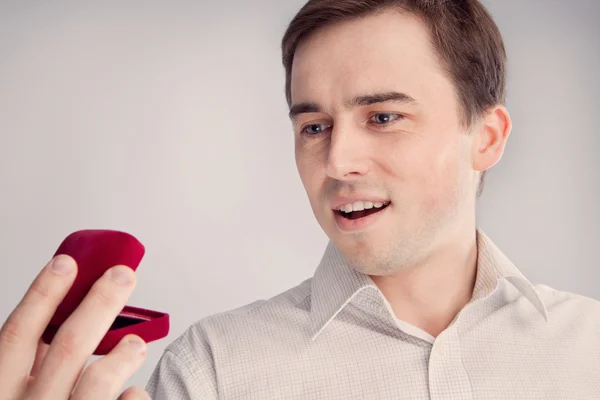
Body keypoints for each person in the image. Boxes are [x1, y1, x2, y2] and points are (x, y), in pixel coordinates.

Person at [1, 0, 599, 399]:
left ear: (486, 138)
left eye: (384, 116)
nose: (337, 162)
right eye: (314, 126)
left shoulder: (589, 349)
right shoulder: (215, 369)